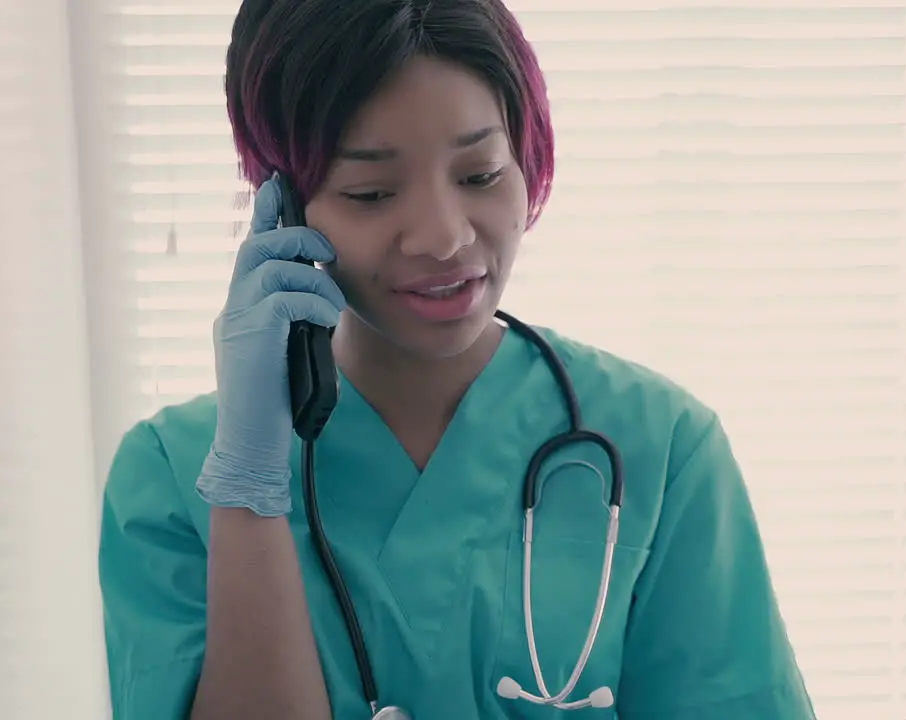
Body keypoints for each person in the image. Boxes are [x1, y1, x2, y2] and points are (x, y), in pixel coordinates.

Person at [97, 0, 817, 718]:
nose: (443, 238)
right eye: (371, 192)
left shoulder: (663, 449)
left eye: (479, 176)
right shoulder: (170, 479)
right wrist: (248, 491)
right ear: (282, 208)